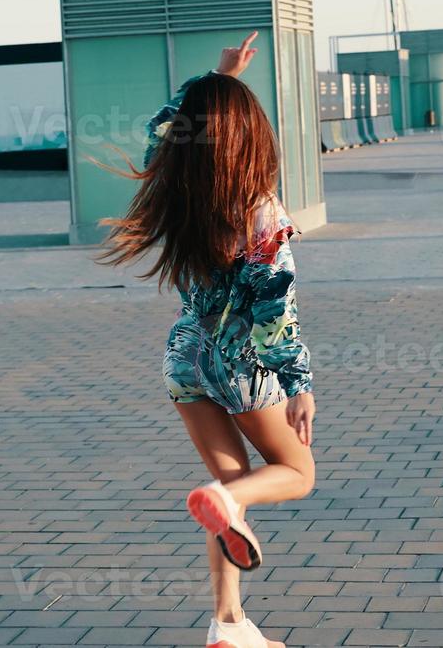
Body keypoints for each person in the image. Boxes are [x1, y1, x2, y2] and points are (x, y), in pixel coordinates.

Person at [99, 33, 315, 648]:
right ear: (253, 135)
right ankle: (224, 501)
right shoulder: (261, 211)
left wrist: (213, 77)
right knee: (295, 472)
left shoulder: (183, 190)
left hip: (185, 358)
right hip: (240, 362)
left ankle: (228, 626)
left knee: (227, 501)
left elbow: (160, 132)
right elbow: (275, 312)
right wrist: (299, 386)